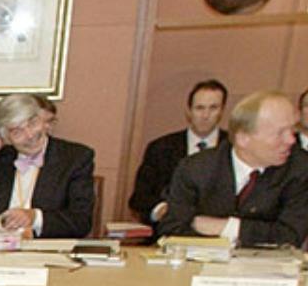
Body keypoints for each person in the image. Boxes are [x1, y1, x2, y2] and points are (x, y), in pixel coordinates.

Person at [160, 88, 308, 246]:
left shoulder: (300, 168)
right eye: (280, 133)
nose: (291, 140)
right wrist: (258, 232)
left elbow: (290, 236)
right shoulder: (196, 169)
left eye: (292, 130)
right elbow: (171, 230)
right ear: (243, 139)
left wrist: (227, 227)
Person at [0, 92, 95, 238]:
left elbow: (81, 222)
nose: (30, 135)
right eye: (17, 131)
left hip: (48, 252)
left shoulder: (75, 158)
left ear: (43, 121)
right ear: (6, 137)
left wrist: (35, 217)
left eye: (32, 124)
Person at [128, 80, 228, 226]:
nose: (205, 115)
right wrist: (163, 210)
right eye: (199, 108)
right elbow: (139, 198)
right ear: (188, 111)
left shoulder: (235, 148)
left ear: (222, 111)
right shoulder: (161, 148)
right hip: (168, 231)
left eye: (213, 108)